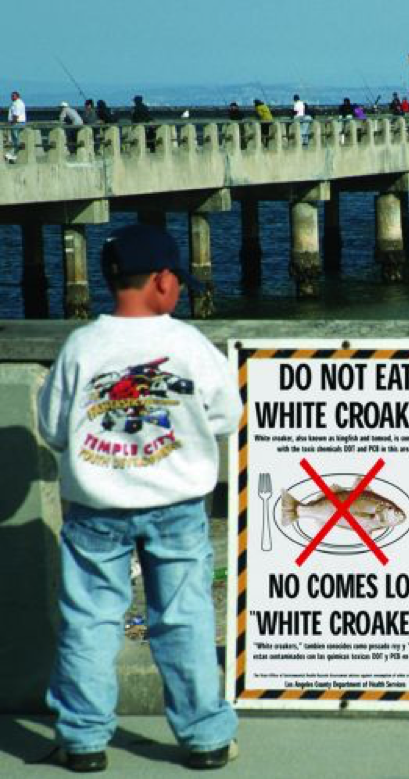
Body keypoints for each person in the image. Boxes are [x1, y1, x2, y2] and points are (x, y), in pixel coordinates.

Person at [37, 224, 241, 773]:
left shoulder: (81, 346)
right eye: (178, 278)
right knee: (185, 618)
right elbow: (226, 416)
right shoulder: (188, 344)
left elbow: (53, 428)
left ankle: (82, 738)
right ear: (163, 280)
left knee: (90, 619)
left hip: (95, 509)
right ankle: (205, 737)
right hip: (177, 507)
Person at [7, 90, 26, 159]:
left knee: (16, 139)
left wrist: (11, 123)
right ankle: (14, 157)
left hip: (17, 123)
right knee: (15, 139)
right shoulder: (15, 103)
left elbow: (16, 115)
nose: (12, 97)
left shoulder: (18, 103)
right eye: (11, 96)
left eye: (13, 96)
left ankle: (10, 154)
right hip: (18, 122)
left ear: (17, 96)